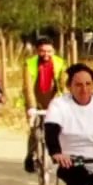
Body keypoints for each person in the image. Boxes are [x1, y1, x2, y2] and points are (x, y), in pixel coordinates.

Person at [22, 38, 66, 173]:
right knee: (35, 130)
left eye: (49, 51)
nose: (46, 54)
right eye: (42, 51)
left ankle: (55, 153)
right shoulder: (29, 64)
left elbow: (63, 84)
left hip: (53, 101)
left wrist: (62, 102)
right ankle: (31, 156)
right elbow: (28, 87)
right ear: (37, 51)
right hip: (35, 101)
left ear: (53, 51)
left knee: (56, 129)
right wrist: (31, 107)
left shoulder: (60, 63)